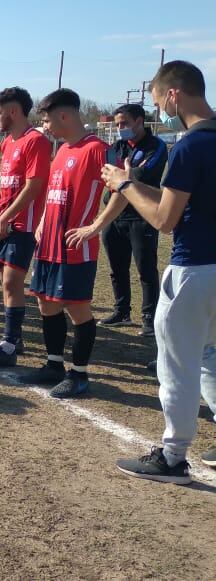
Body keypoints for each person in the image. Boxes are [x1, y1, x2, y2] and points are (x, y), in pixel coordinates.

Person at [110, 60, 216, 484]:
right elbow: (184, 198)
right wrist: (135, 185)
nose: (159, 111)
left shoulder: (189, 145)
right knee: (210, 356)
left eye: (158, 101)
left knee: (176, 364)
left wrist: (124, 184)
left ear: (174, 94)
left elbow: (165, 219)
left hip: (193, 269)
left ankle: (172, 457)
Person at [15, 89, 108, 398]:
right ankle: (53, 365)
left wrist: (96, 226)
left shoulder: (97, 149)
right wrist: (41, 223)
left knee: (77, 308)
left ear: (64, 116)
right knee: (45, 302)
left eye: (47, 120)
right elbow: (54, 193)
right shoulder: (63, 150)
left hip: (74, 246)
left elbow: (123, 188)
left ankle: (79, 375)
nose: (46, 127)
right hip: (49, 243)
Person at [0, 87, 52, 368]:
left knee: (12, 281)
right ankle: (14, 338)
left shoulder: (37, 141)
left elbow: (35, 185)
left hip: (23, 224)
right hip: (3, 222)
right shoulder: (8, 142)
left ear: (13, 111)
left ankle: (8, 346)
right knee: (5, 280)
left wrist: (7, 216)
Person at [93, 103, 167, 337]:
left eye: (124, 123)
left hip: (142, 215)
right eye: (117, 124)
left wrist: (124, 175)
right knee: (117, 267)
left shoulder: (156, 146)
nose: (120, 128)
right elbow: (107, 175)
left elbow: (145, 174)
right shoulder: (116, 147)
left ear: (139, 121)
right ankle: (122, 310)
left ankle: (148, 317)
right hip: (115, 215)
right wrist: (126, 175)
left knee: (146, 270)